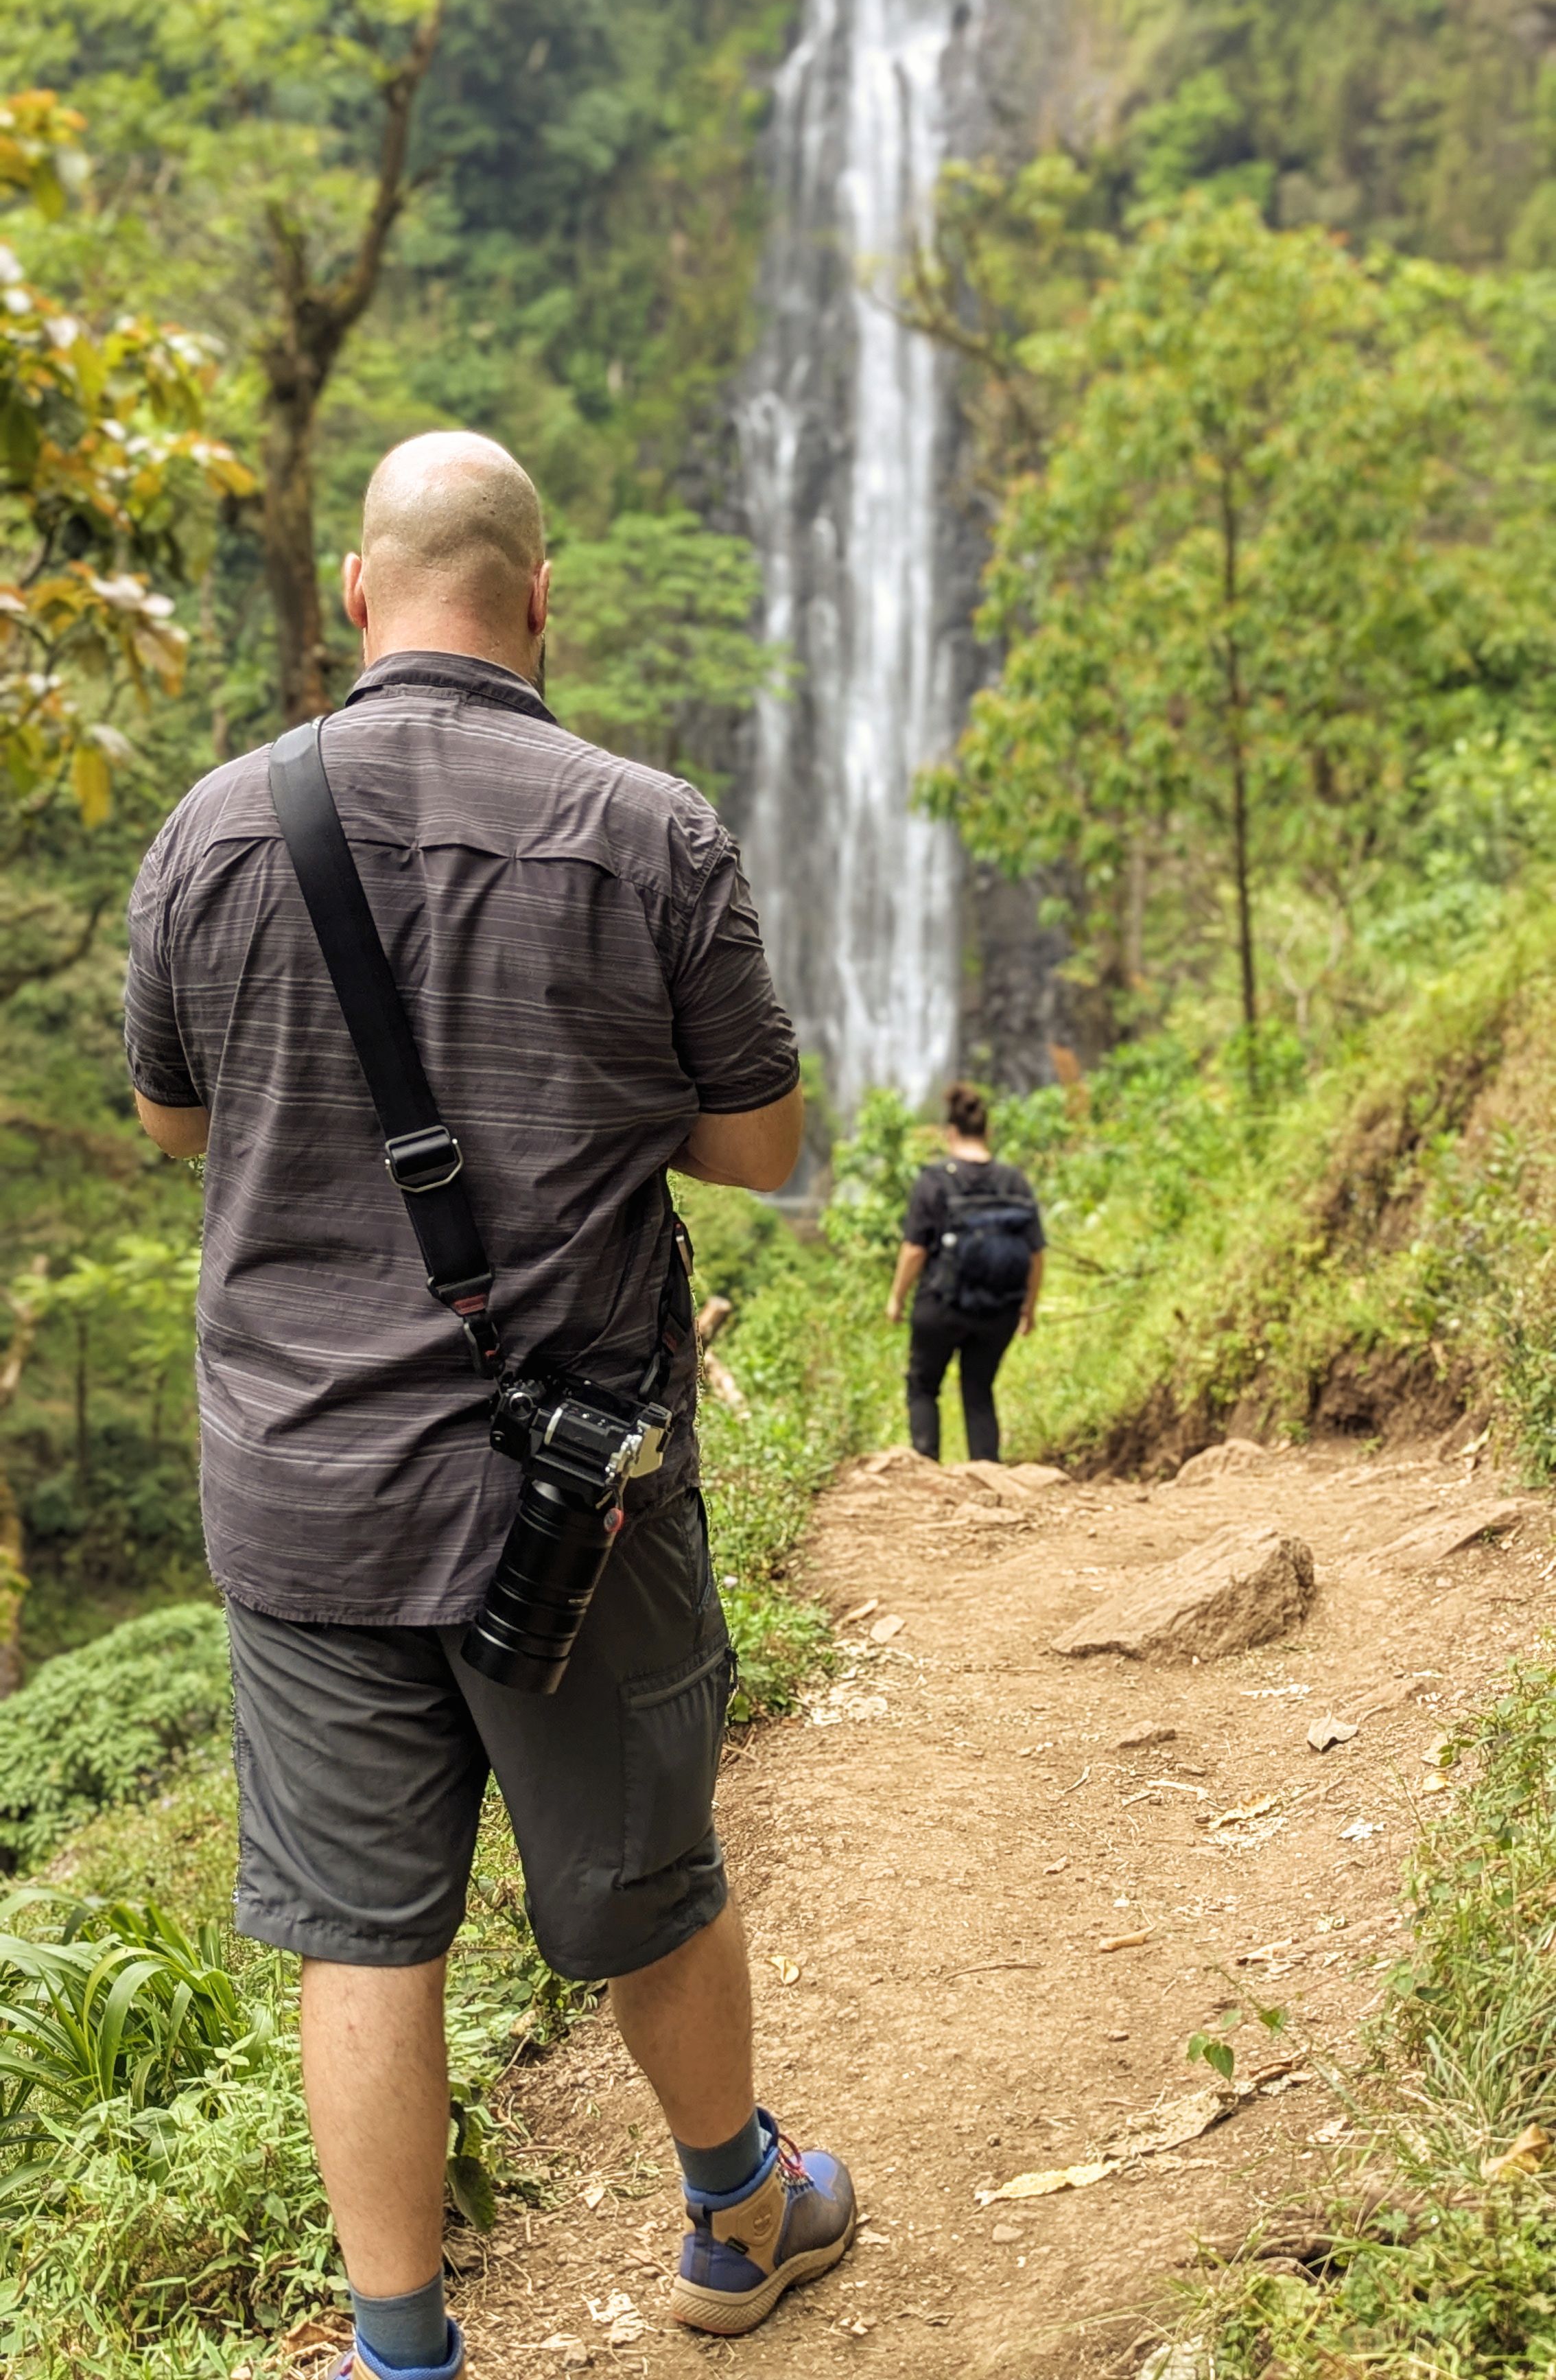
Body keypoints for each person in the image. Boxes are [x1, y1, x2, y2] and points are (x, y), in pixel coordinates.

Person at [123, 432, 855, 2377]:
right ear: (543, 600)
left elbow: (175, 1116)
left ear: (357, 596)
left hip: (305, 1495)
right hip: (571, 1496)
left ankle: (399, 2349)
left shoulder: (212, 830)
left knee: (362, 1934)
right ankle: (735, 2216)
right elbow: (765, 1143)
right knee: (647, 1876)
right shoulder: (649, 828)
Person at [885, 1082, 1044, 1463]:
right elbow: (1037, 1255)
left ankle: (925, 1470)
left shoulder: (935, 1180)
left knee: (923, 1386)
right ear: (987, 1132)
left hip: (941, 1305)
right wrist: (1028, 1307)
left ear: (950, 1133)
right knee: (979, 1390)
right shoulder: (1015, 1181)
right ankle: (987, 1474)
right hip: (1000, 1309)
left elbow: (915, 1250)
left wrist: (897, 1297)